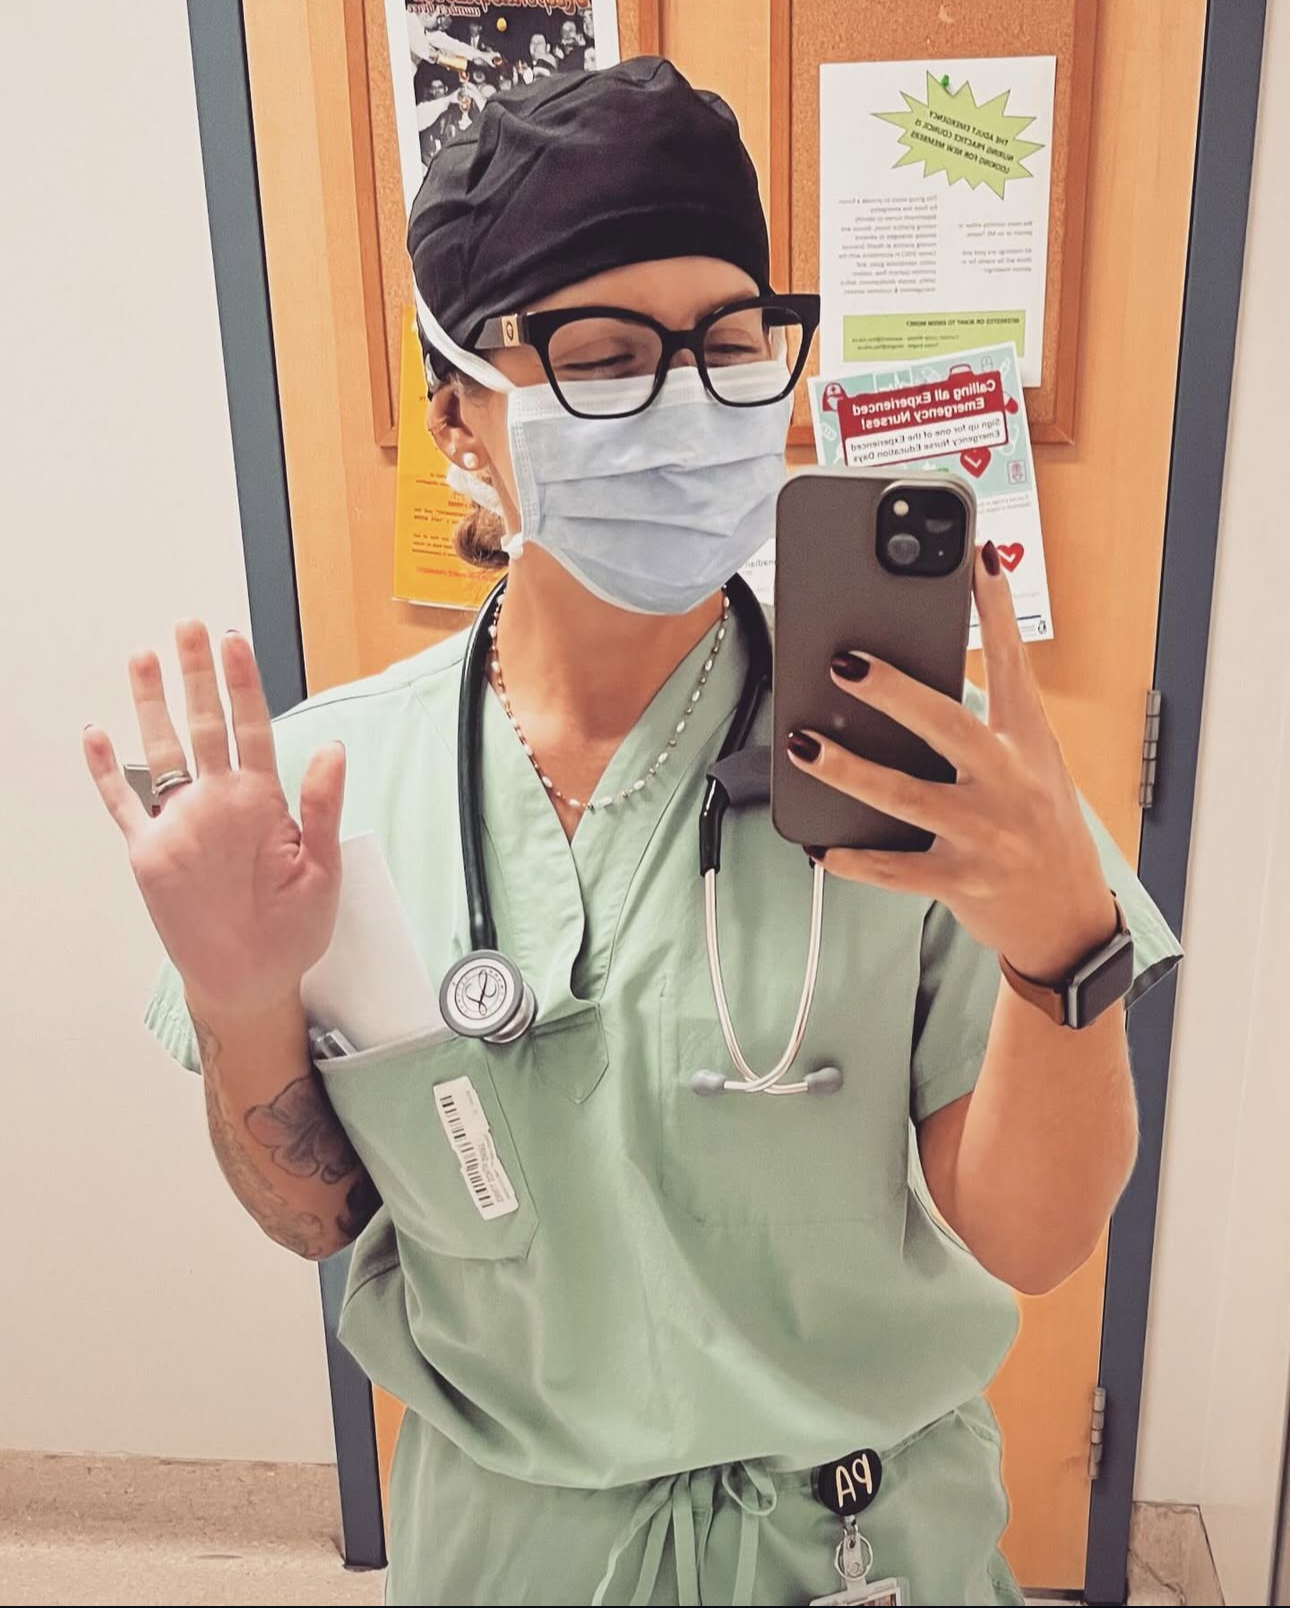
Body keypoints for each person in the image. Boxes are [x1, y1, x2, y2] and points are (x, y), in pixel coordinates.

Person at [84, 58, 1180, 1606]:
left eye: (731, 343)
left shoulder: (925, 766)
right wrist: (240, 997)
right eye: (602, 356)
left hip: (860, 1549)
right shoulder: (326, 793)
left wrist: (1062, 950)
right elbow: (317, 1212)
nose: (685, 403)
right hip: (512, 1551)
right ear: (457, 408)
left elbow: (1028, 1238)